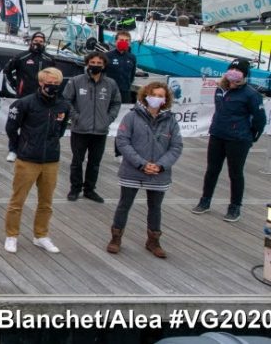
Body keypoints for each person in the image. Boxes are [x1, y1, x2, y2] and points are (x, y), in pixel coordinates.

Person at [108, 81, 182, 258]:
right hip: (133, 169)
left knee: (155, 207)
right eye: (153, 95)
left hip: (159, 172)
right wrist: (141, 163)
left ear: (165, 99)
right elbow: (123, 141)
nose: (156, 98)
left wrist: (161, 165)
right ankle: (116, 238)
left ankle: (153, 240)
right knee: (124, 204)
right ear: (145, 96)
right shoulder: (131, 116)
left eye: (160, 96)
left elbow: (176, 146)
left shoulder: (171, 120)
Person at [4, 67, 70, 254]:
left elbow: (62, 129)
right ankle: (11, 235)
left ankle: (41, 235)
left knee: (46, 202)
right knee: (17, 200)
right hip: (27, 159)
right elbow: (11, 128)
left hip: (51, 160)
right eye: (49, 82)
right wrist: (19, 147)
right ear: (41, 82)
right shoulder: (24, 103)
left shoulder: (64, 106)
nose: (53, 86)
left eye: (56, 83)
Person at [192, 59, 267, 222]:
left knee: (235, 173)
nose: (233, 72)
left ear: (245, 75)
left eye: (237, 70)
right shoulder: (220, 88)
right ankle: (205, 200)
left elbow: (260, 120)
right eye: (231, 69)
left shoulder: (251, 94)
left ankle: (235, 207)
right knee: (212, 169)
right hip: (217, 134)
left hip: (239, 139)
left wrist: (251, 135)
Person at [63, 52, 122, 203]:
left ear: (103, 65)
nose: (95, 65)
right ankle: (75, 189)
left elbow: (116, 103)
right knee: (77, 161)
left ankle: (90, 190)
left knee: (94, 163)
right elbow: (66, 101)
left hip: (100, 130)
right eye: (92, 62)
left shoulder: (110, 84)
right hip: (80, 129)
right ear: (87, 64)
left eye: (99, 63)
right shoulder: (76, 81)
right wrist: (76, 117)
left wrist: (109, 119)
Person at [1, 32, 55, 162]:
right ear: (31, 41)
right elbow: (7, 71)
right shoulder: (21, 57)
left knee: (37, 125)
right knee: (14, 125)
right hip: (24, 96)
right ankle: (13, 149)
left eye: (41, 41)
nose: (38, 43)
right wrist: (16, 86)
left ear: (44, 43)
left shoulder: (49, 59)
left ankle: (33, 149)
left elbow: (54, 75)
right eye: (36, 40)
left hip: (43, 98)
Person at [106, 30, 138, 102]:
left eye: (127, 40)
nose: (124, 42)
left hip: (125, 91)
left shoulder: (132, 57)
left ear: (129, 43)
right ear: (116, 41)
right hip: (109, 91)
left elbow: (132, 75)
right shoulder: (107, 56)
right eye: (121, 40)